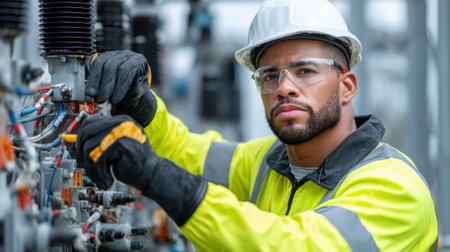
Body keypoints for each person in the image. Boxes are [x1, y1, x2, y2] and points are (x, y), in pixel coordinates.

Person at [76, 0, 438, 250]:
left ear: (347, 87)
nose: (283, 87)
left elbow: (298, 246)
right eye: (269, 75)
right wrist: (139, 104)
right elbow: (184, 151)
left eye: (305, 70)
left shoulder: (395, 188)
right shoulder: (268, 162)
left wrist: (167, 183)